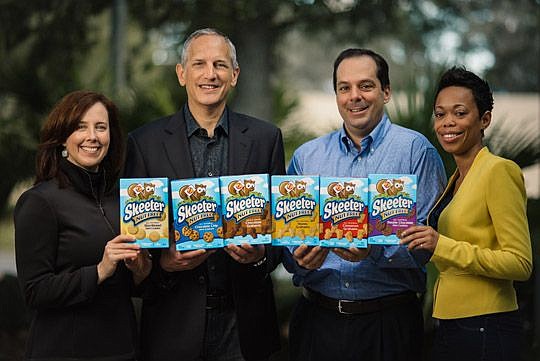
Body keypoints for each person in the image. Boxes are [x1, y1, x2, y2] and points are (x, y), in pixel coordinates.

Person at [123, 28, 284, 361]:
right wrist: (164, 264)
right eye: (199, 64)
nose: (210, 74)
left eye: (220, 65)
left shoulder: (266, 138)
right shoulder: (144, 143)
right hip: (173, 325)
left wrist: (259, 256)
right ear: (182, 74)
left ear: (235, 75)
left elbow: (280, 235)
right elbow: (134, 241)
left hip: (245, 331)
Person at [284, 48, 447, 361]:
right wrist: (298, 258)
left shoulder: (416, 151)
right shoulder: (307, 157)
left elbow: (429, 243)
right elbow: (287, 244)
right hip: (317, 321)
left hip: (389, 324)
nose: (354, 96)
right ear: (336, 95)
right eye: (344, 88)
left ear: (386, 92)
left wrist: (374, 250)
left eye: (366, 86)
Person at [399, 67, 532, 361]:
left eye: (460, 113)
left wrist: (440, 244)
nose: (448, 123)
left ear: (484, 119)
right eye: (440, 114)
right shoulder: (456, 178)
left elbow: (520, 263)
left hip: (487, 323)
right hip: (453, 323)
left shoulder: (498, 171)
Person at [14, 90, 152, 360]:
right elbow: (34, 291)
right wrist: (100, 270)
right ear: (63, 137)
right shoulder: (40, 202)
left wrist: (140, 271)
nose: (92, 136)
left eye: (101, 127)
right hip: (64, 351)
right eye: (81, 127)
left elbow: (130, 288)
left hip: (122, 350)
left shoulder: (123, 201)